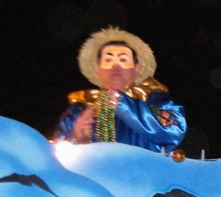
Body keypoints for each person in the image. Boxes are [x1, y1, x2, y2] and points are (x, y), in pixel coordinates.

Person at [53, 27, 186, 153]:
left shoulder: (153, 99)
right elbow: (53, 153)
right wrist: (76, 138)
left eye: (123, 60)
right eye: (108, 60)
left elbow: (173, 131)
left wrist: (123, 105)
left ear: (137, 68)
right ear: (98, 69)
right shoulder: (80, 109)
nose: (115, 66)